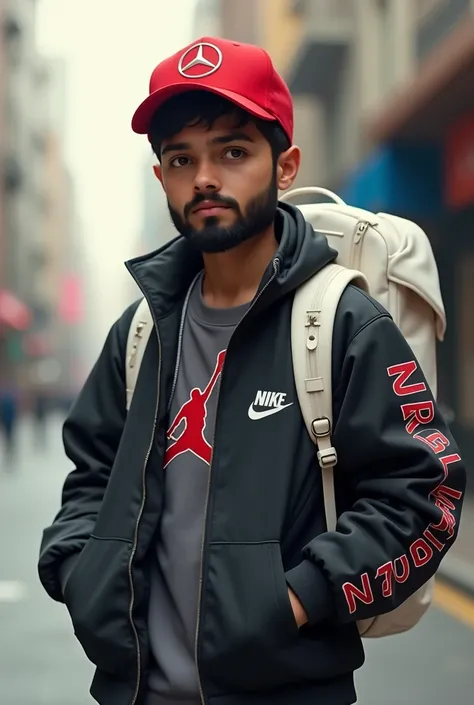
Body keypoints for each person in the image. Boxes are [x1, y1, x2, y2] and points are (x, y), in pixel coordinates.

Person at [38, 36, 466, 705]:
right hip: (133, 692)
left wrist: (296, 597)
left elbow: (422, 495)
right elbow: (91, 470)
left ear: (285, 164)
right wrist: (78, 571)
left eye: (232, 151)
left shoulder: (342, 322)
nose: (204, 177)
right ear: (163, 180)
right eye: (181, 159)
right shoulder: (141, 331)